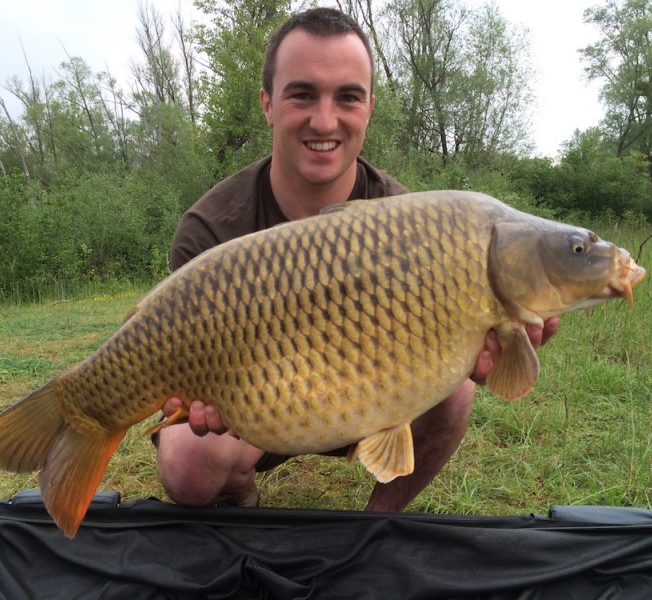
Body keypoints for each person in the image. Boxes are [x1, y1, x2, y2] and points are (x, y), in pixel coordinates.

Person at [154, 7, 558, 511]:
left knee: (454, 391)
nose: (325, 120)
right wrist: (195, 397)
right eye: (302, 94)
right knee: (187, 462)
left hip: (376, 393)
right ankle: (240, 501)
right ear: (267, 104)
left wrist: (489, 340)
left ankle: (376, 527)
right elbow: (181, 381)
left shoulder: (412, 221)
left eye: (347, 96)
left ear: (368, 107)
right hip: (261, 409)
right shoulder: (210, 229)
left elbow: (483, 359)